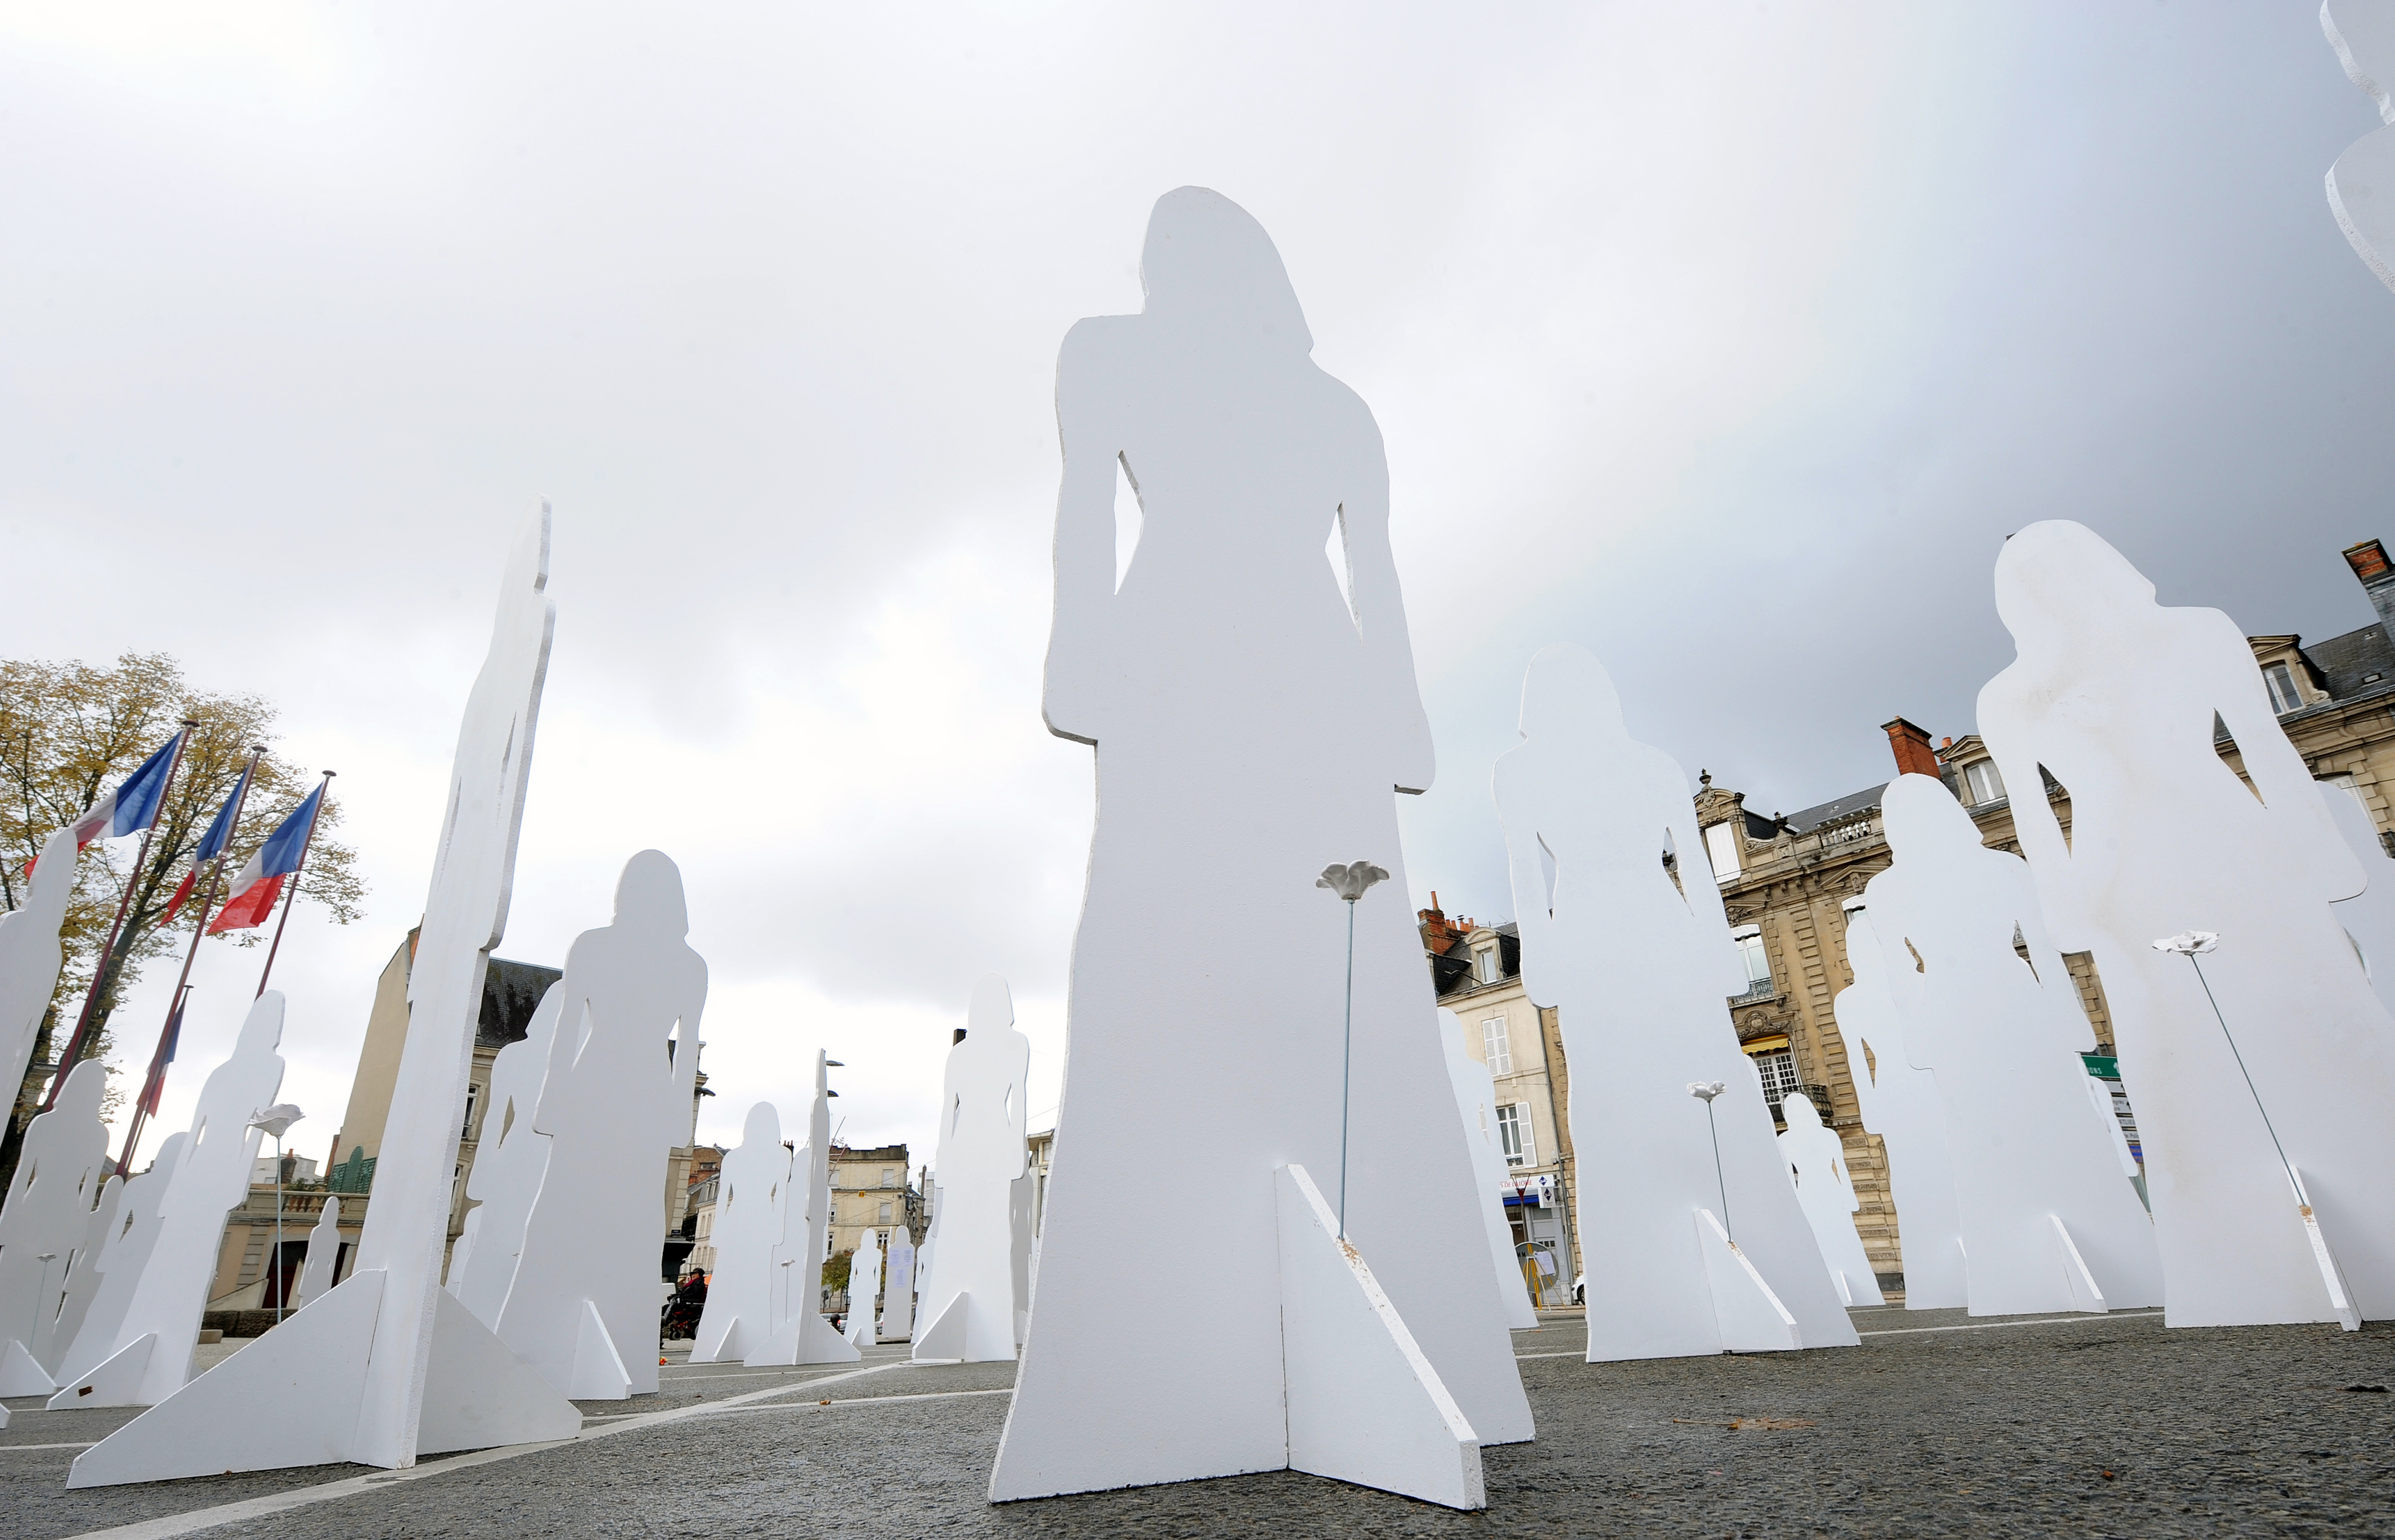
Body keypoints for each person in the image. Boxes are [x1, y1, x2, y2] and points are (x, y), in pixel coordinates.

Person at [992, 186, 1530, 1503]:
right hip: (1289, 661)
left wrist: (1078, 659)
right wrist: (1399, 719)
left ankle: (1267, 1313)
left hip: (1197, 646)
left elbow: (1089, 521)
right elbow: (1370, 578)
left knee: (1193, 936)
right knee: (1205, 935)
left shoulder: (1121, 354)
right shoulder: (1318, 401)